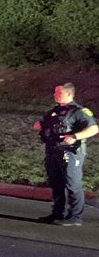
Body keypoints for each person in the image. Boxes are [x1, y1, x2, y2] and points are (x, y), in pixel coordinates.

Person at [32, 82, 98, 226]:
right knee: (56, 184)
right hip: (53, 151)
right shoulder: (54, 111)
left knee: (73, 184)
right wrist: (40, 125)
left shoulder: (79, 111)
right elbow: (46, 125)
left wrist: (75, 137)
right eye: (55, 92)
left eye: (58, 92)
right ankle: (57, 213)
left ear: (68, 94)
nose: (54, 94)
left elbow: (93, 129)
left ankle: (75, 217)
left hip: (71, 153)